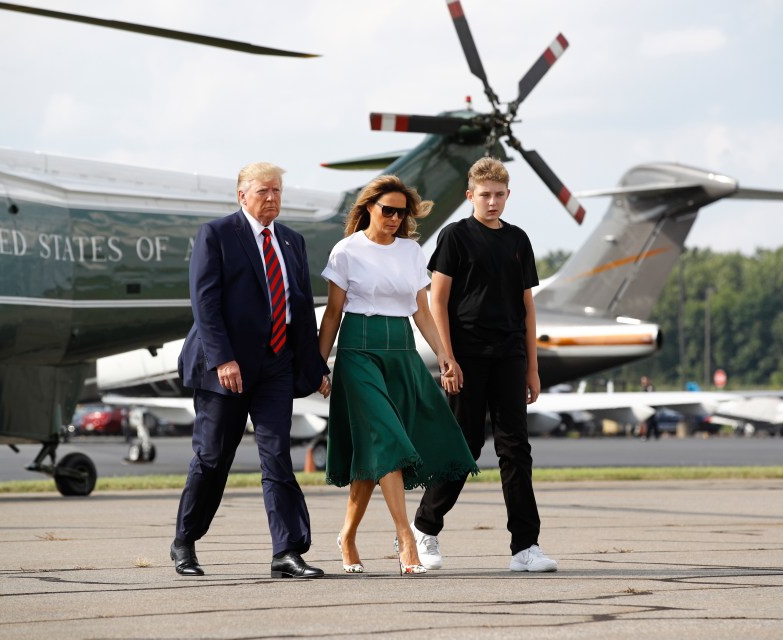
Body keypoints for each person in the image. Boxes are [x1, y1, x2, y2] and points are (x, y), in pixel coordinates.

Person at [172, 162, 330, 579]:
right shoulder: (217, 234)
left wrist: (316, 368)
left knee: (277, 456)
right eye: (263, 191)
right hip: (224, 367)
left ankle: (287, 551)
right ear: (241, 196)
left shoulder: (292, 242)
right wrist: (223, 358)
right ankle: (185, 541)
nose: (272, 198)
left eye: (277, 190)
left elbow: (299, 310)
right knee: (212, 458)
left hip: (275, 366)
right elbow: (204, 303)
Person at [317, 175, 479, 576]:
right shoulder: (347, 251)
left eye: (400, 212)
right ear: (369, 207)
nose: (393, 218)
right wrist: (319, 364)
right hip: (358, 352)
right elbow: (334, 313)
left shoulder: (411, 251)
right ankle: (406, 539)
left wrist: (445, 355)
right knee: (389, 440)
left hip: (402, 352)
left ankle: (347, 535)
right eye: (386, 210)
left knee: (377, 455)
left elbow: (420, 310)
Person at [410, 157, 558, 573]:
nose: (492, 202)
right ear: (470, 195)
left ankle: (525, 547)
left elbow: (528, 307)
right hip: (466, 355)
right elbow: (436, 300)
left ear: (507, 196)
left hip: (510, 354)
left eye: (499, 195)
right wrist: (447, 357)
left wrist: (532, 367)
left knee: (516, 450)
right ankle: (425, 527)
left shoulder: (518, 240)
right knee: (466, 445)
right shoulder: (455, 236)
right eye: (484, 195)